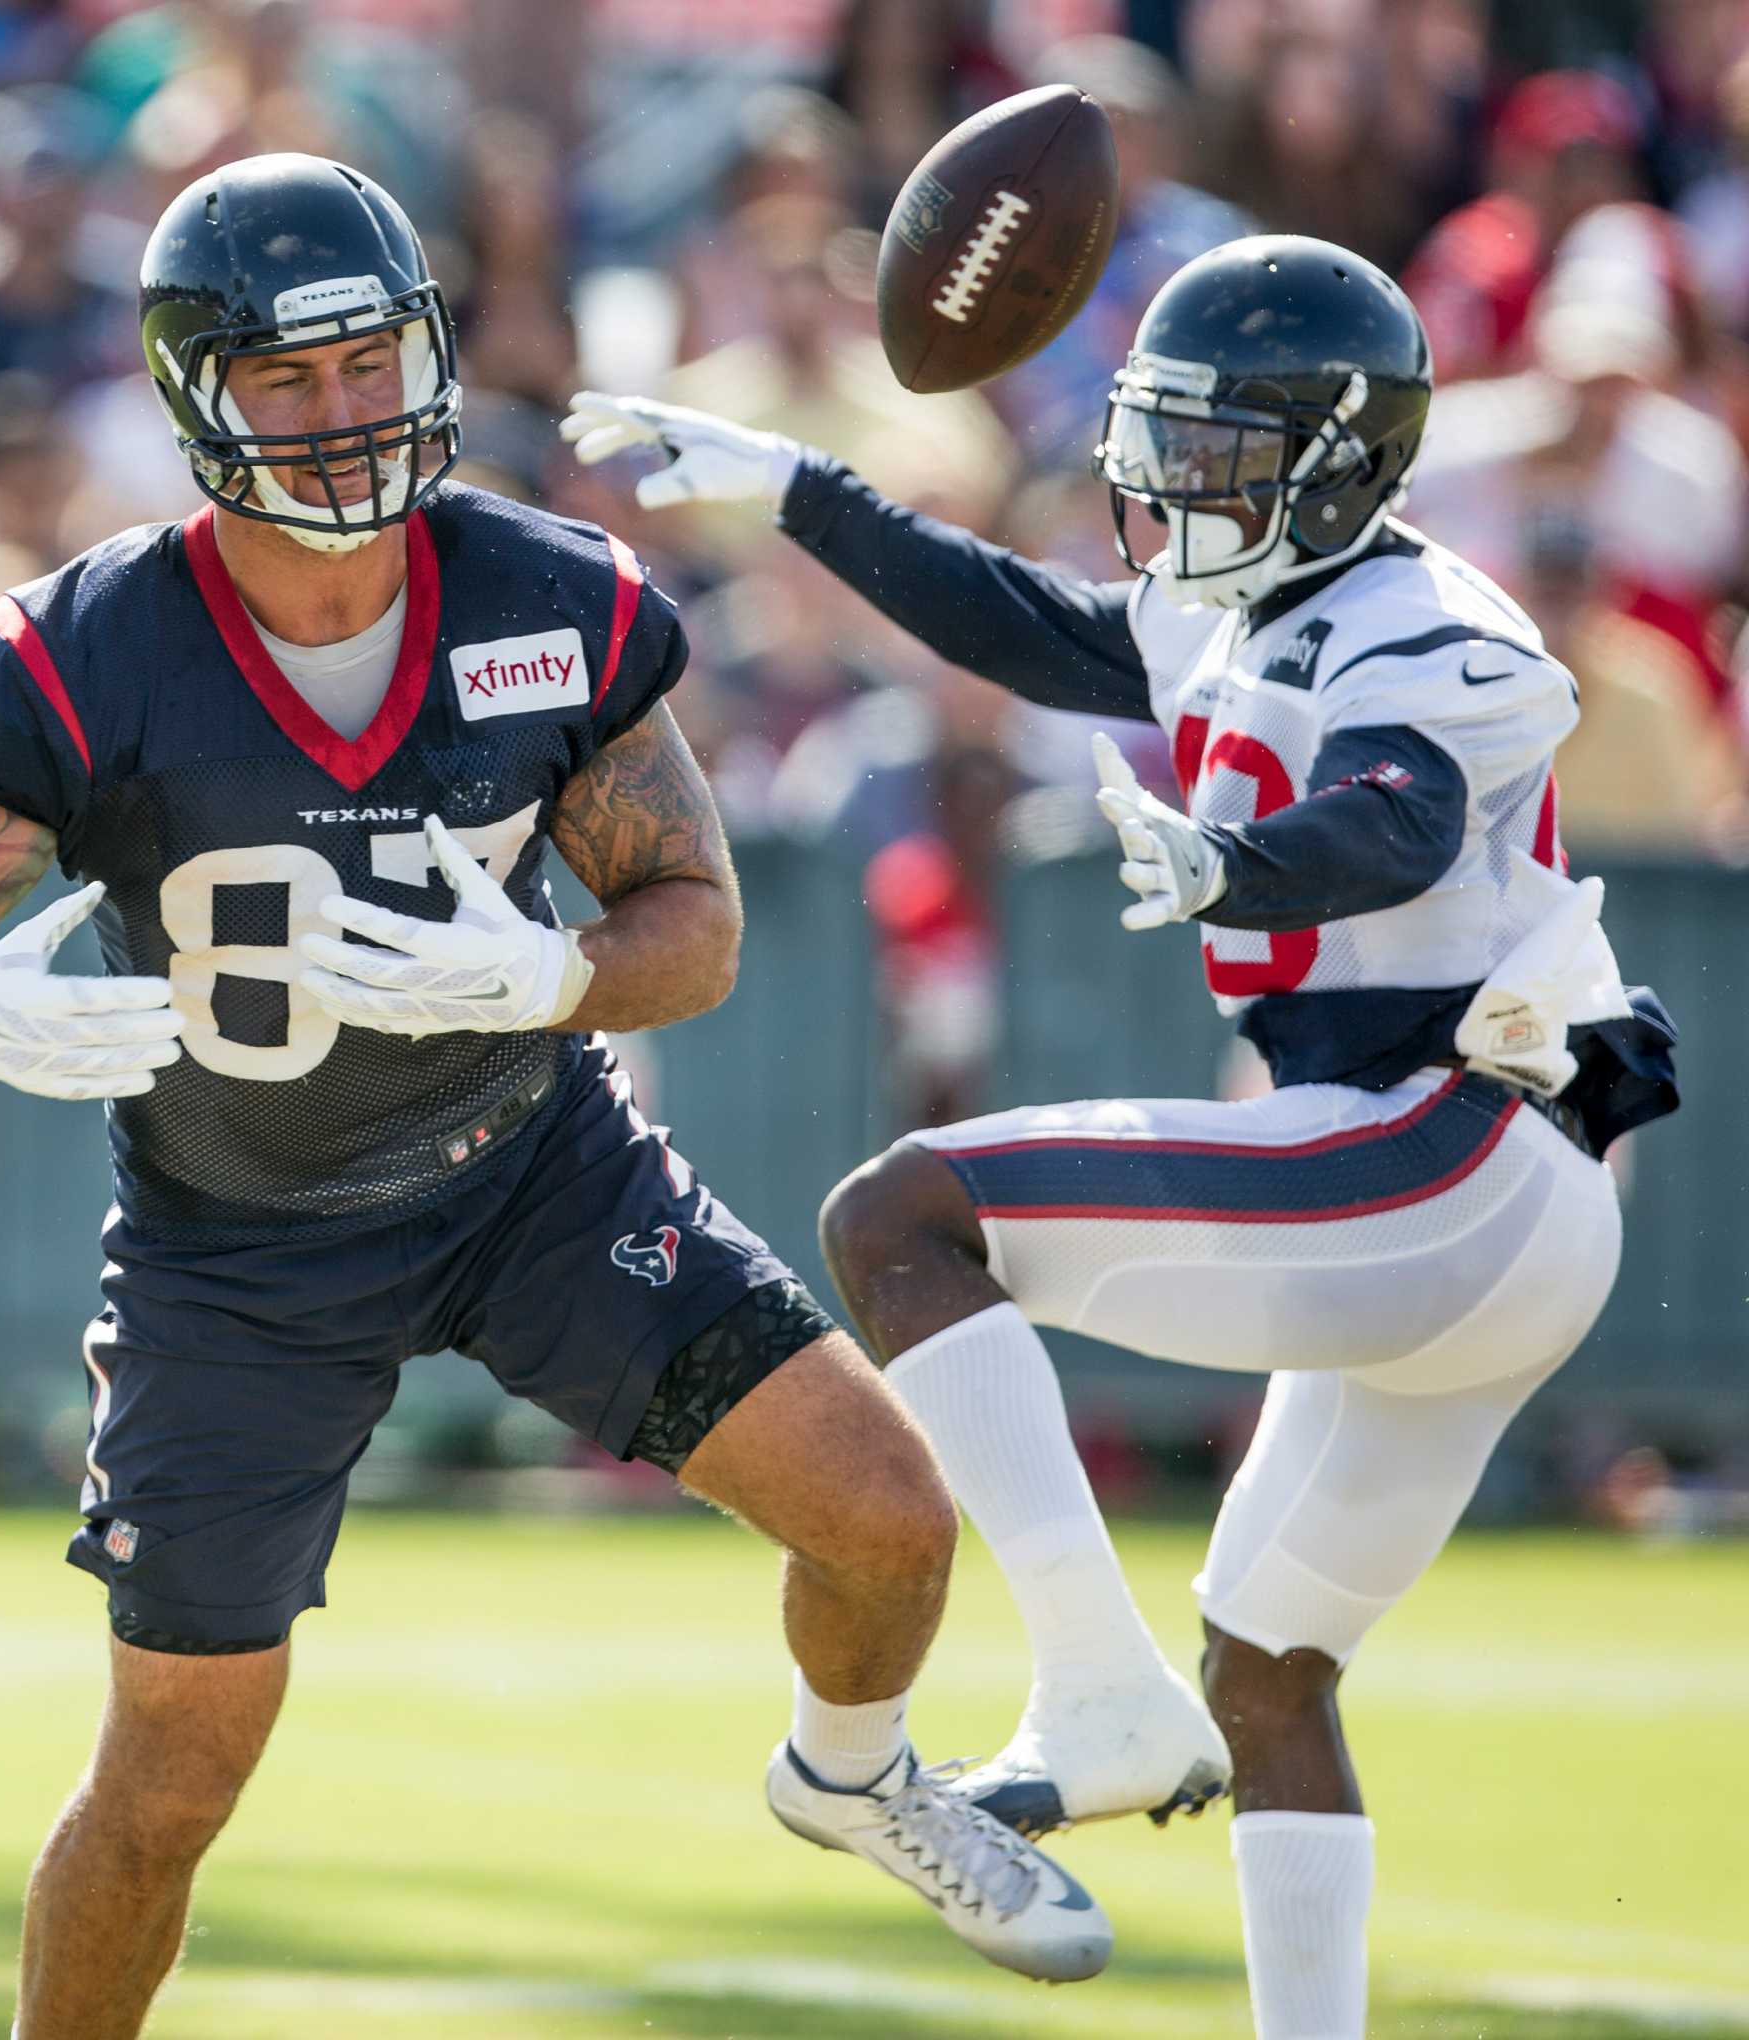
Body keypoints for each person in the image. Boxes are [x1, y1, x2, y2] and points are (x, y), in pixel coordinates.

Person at [0, 153, 1113, 2038]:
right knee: (170, 1785)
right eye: (287, 377)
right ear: (193, 392)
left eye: (368, 364)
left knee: (890, 1518)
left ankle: (851, 1766)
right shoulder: (85, 650)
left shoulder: (545, 591)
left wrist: (558, 970)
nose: (343, 415)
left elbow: (700, 920)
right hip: (234, 1249)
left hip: (530, 1173)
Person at [565, 232, 1680, 2039]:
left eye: (1224, 444)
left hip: (1457, 1151)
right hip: (1454, 1194)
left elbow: (1393, 819)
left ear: (1341, 454)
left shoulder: (1449, 632)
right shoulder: (1234, 606)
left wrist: (1242, 861)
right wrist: (801, 492)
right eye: (1165, 436)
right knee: (1272, 1670)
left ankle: (1092, 1687)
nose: (1175, 482)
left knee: (904, 1219)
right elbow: (1032, 622)